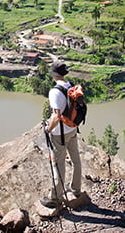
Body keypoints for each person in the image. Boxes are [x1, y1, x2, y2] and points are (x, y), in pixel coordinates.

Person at [40, 61, 82, 208]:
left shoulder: (55, 92)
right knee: (76, 159)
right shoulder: (70, 85)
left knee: (58, 164)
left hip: (60, 134)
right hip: (72, 129)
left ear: (54, 75)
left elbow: (56, 116)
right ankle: (76, 189)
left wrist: (48, 129)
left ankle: (55, 198)